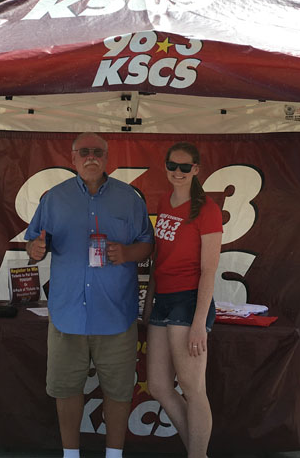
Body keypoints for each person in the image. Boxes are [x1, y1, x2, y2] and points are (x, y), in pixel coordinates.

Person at [25, 133, 153, 458]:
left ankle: (114, 455)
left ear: (107, 158)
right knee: (66, 390)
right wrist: (35, 249)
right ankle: (71, 455)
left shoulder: (130, 199)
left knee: (119, 392)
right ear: (73, 158)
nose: (91, 157)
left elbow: (147, 243)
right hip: (68, 315)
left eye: (98, 151)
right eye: (84, 151)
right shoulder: (54, 199)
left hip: (116, 315)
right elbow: (33, 242)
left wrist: (127, 253)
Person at [144, 142, 222, 458]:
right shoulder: (164, 201)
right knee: (159, 386)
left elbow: (209, 270)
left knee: (193, 388)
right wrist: (149, 299)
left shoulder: (207, 210)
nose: (178, 172)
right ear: (165, 166)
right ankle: (197, 452)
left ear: (196, 170)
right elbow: (159, 257)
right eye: (172, 165)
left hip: (189, 301)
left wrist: (199, 322)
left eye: (185, 167)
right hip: (163, 299)